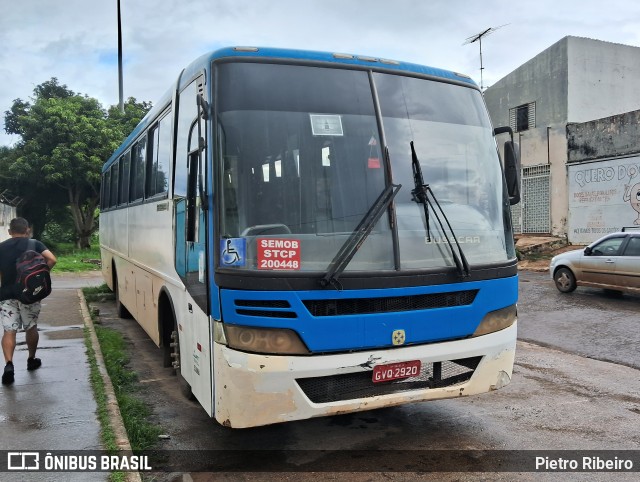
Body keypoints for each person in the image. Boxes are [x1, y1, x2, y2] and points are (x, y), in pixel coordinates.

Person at [0, 218, 56, 385]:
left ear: (10, 231)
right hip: (29, 294)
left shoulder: (1, 247)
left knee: (9, 330)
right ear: (28, 230)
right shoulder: (35, 244)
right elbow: (52, 259)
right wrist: (40, 277)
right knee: (31, 327)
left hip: (7, 294)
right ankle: (31, 360)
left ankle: (9, 364)